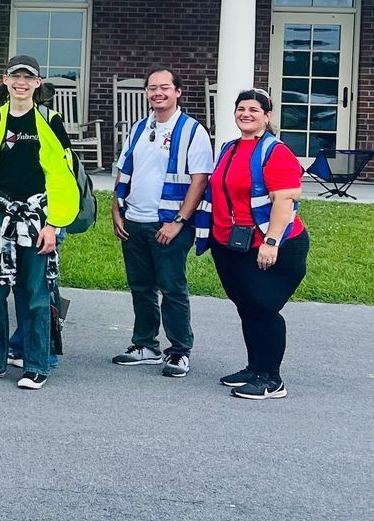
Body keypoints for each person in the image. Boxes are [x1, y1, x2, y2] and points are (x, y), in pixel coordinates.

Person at [0, 55, 78, 390]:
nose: (21, 83)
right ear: (6, 81)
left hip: (39, 216)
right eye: (16, 77)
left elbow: (63, 177)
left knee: (36, 292)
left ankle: (36, 365)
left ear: (38, 83)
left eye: (28, 78)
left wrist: (53, 226)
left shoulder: (50, 121)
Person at [198, 89, 308, 400]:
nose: (246, 114)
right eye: (241, 108)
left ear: (267, 116)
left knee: (263, 308)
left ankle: (271, 379)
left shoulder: (276, 152)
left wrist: (271, 242)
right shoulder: (230, 148)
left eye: (254, 110)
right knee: (247, 307)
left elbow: (284, 200)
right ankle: (255, 368)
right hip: (232, 244)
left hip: (270, 245)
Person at [110, 67, 214, 379]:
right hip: (135, 220)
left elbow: (200, 180)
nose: (158, 93)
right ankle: (145, 345)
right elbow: (124, 169)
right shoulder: (139, 128)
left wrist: (179, 221)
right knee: (141, 287)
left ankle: (180, 350)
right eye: (152, 88)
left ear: (178, 92)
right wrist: (116, 210)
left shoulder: (192, 131)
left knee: (172, 288)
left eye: (165, 87)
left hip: (168, 224)